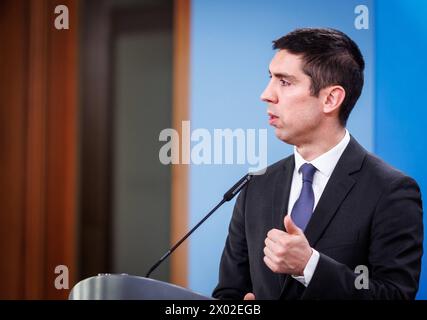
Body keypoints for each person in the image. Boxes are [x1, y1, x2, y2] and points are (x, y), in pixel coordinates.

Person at [212, 28, 423, 300]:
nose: (266, 94)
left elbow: (395, 296)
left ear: (331, 99)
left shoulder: (391, 190)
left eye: (285, 82)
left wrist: (309, 265)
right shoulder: (256, 186)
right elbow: (229, 292)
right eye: (270, 78)